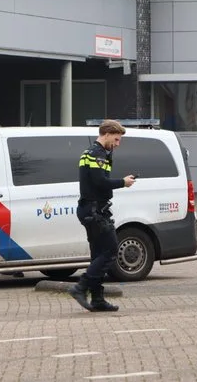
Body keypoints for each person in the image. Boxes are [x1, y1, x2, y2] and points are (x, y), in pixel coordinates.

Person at [69, 119, 136, 312]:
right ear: (106, 134)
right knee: (110, 251)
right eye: (116, 139)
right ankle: (80, 287)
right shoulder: (97, 154)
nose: (117, 143)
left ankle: (97, 298)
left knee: (98, 255)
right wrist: (123, 182)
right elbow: (100, 181)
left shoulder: (92, 153)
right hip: (94, 211)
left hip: (91, 210)